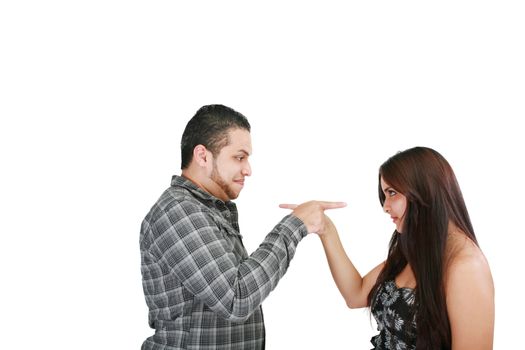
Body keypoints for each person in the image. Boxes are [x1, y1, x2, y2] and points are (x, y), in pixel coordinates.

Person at [139, 104, 345, 350]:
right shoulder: (178, 211)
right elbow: (236, 298)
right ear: (203, 156)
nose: (248, 169)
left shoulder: (206, 210)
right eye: (239, 157)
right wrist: (295, 225)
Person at [286, 147, 494, 349]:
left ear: (424, 190)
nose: (385, 206)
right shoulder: (417, 250)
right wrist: (326, 230)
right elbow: (355, 294)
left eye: (392, 193)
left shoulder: (467, 266)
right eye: (384, 195)